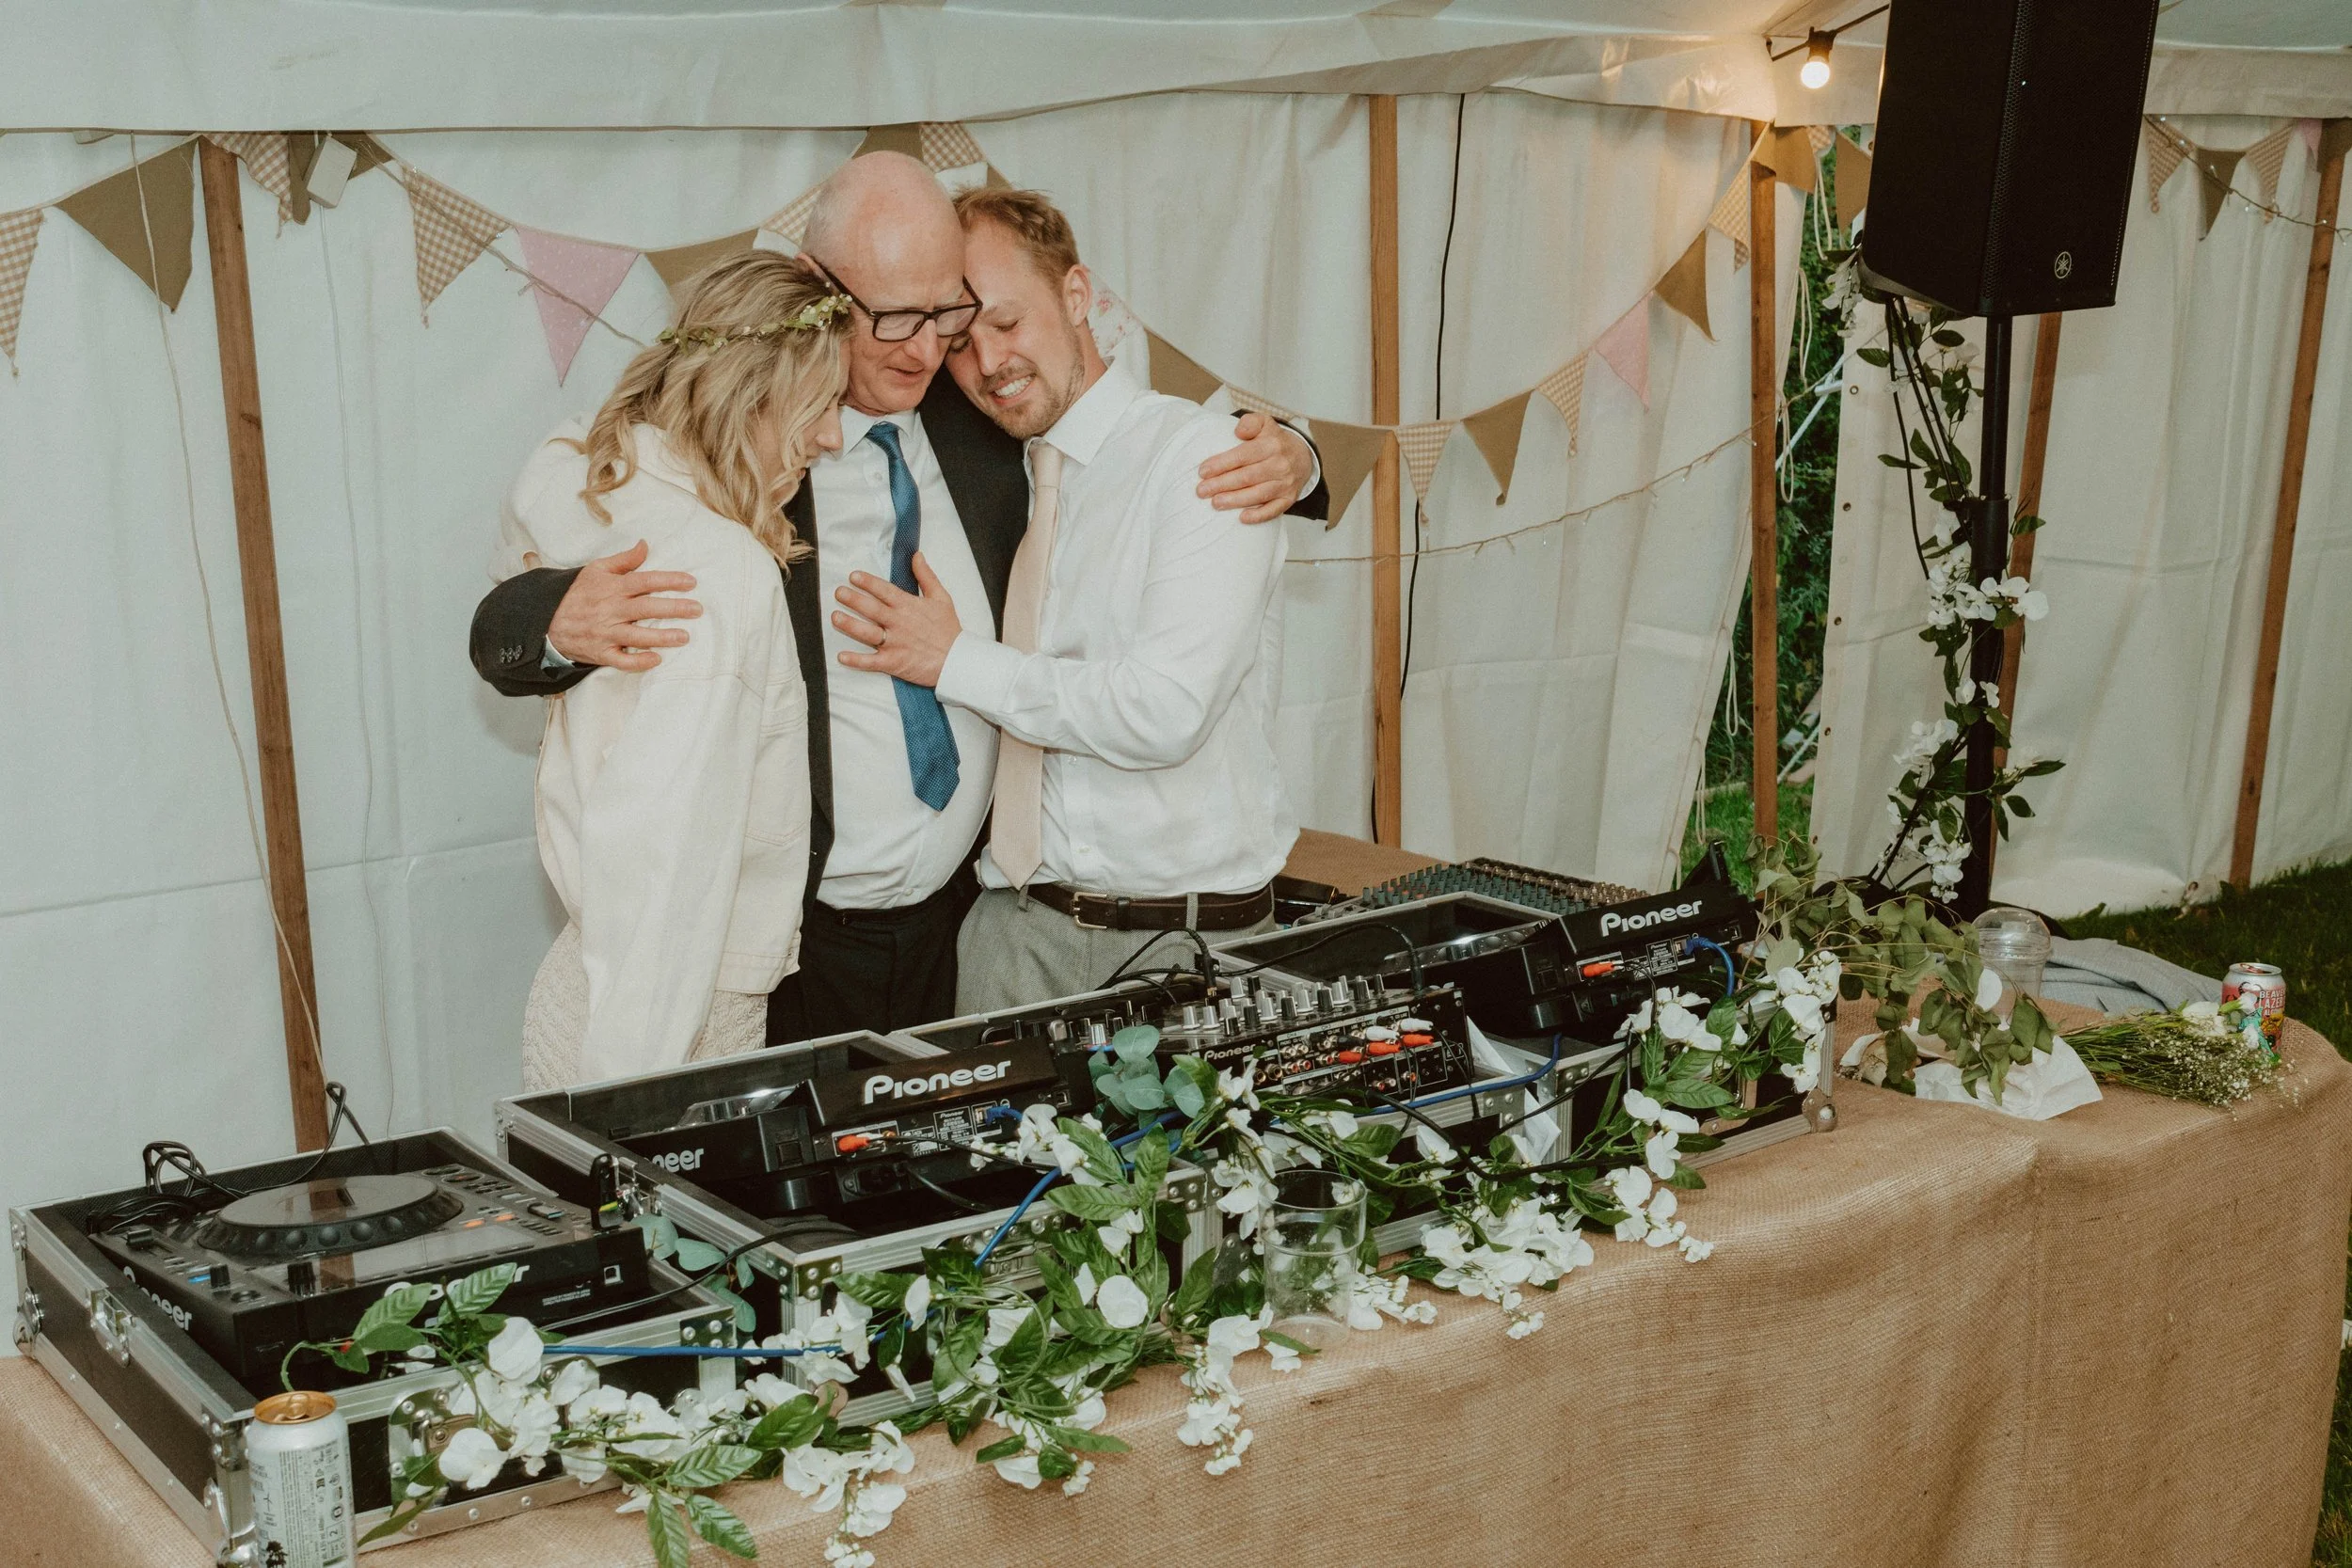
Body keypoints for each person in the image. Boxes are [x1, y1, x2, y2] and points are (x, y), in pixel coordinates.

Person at [469, 152, 1327, 1041]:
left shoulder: (987, 419)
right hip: (795, 947)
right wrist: (551, 619)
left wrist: (1300, 457)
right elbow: (564, 510)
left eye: (945, 314)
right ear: (819, 288)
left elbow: (1130, 439)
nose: (931, 349)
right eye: (898, 318)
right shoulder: (746, 430)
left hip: (962, 932)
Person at [832, 186, 1297, 1012]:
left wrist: (955, 662)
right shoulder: (992, 458)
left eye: (1007, 324)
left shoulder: (1204, 460)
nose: (987, 365)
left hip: (1182, 946)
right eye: (960, 342)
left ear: (1077, 294)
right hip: (1007, 935)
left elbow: (1163, 712)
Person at [502, 253, 846, 1090]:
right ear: (753, 391)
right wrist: (630, 1108)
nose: (834, 435)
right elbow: (664, 865)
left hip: (592, 983)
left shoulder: (594, 483)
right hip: (670, 1021)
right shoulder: (722, 569)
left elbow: (543, 475)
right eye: (824, 402)